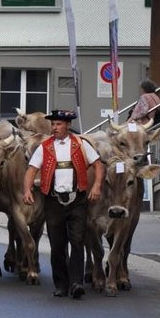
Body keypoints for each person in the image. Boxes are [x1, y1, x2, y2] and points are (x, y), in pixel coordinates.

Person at [22, 109, 104, 299]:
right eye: (53, 124)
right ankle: (61, 284)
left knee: (77, 242)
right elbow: (31, 169)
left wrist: (97, 186)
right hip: (53, 201)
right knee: (57, 245)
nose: (54, 128)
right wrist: (27, 190)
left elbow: (98, 165)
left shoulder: (81, 145)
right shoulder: (45, 147)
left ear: (68, 125)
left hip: (78, 200)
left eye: (58, 124)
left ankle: (76, 283)